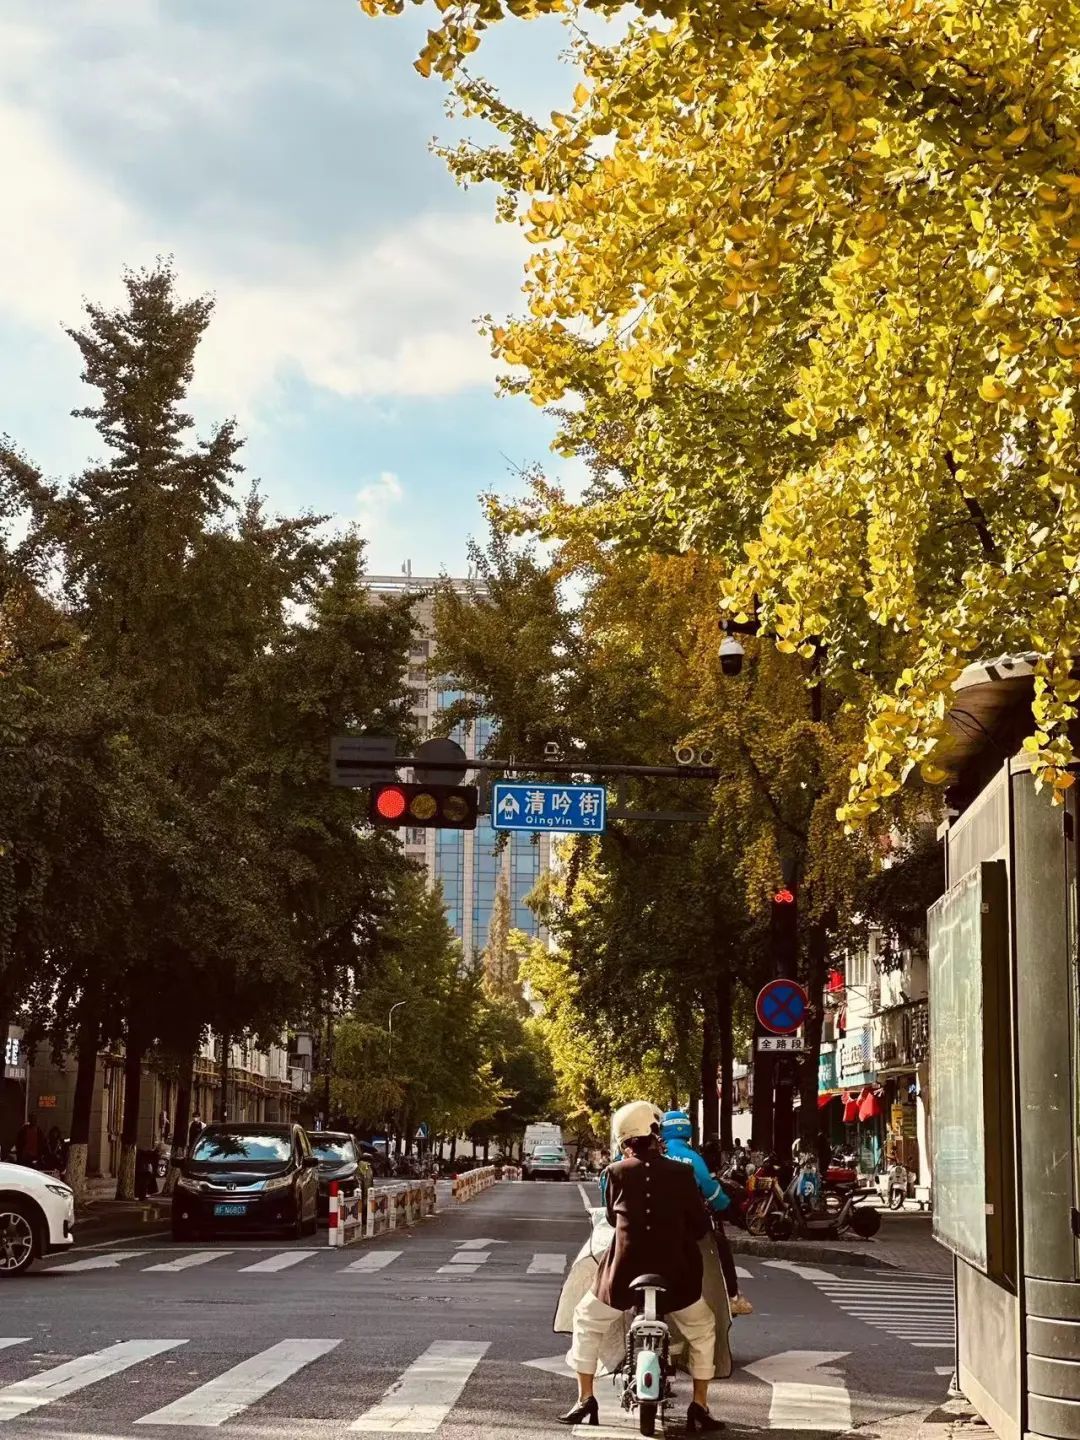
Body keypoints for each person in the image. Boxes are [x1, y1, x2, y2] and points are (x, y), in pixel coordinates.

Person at [560, 1100, 724, 1433]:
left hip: (622, 1275)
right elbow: (698, 1226)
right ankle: (700, 1405)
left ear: (624, 1139)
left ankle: (585, 1398)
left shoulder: (614, 1173)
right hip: (678, 1277)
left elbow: (611, 1218)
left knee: (587, 1320)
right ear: (654, 1133)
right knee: (703, 1328)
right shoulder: (683, 1174)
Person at [661, 1111, 753, 1317]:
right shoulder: (692, 1158)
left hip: (650, 1224)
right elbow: (710, 1188)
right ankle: (733, 1296)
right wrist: (724, 1205)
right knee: (720, 1245)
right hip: (686, 1225)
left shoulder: (653, 1155)